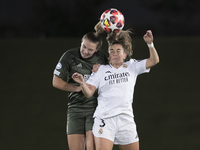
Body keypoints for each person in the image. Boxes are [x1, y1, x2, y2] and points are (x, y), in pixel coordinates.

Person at [72, 28, 159, 150]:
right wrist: (82, 83)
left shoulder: (132, 66)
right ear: (108, 56)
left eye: (118, 50)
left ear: (124, 55)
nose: (115, 53)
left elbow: (154, 60)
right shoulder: (100, 70)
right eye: (111, 51)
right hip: (105, 119)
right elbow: (88, 93)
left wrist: (150, 44)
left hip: (126, 118)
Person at [52, 30, 108, 150]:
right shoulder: (69, 56)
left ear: (97, 50)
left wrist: (103, 68)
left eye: (90, 50)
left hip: (94, 109)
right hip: (75, 109)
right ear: (81, 42)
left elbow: (114, 70)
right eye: (84, 46)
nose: (85, 51)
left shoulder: (101, 57)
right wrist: (76, 88)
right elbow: (56, 81)